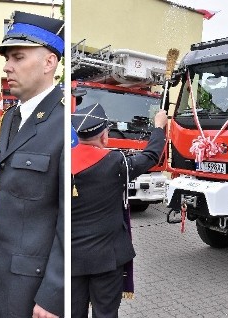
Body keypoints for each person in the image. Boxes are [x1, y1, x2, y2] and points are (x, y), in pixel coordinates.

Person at [0, 11, 65, 318]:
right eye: (7, 58)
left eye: (18, 57)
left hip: (34, 287)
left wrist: (55, 293)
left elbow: (72, 220)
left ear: (49, 62)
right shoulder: (10, 118)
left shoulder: (65, 125)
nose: (6, 66)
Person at [70, 103, 166, 317]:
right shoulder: (117, 163)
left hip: (70, 258)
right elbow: (151, 156)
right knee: (105, 313)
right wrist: (159, 127)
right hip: (108, 259)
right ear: (104, 136)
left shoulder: (61, 162)